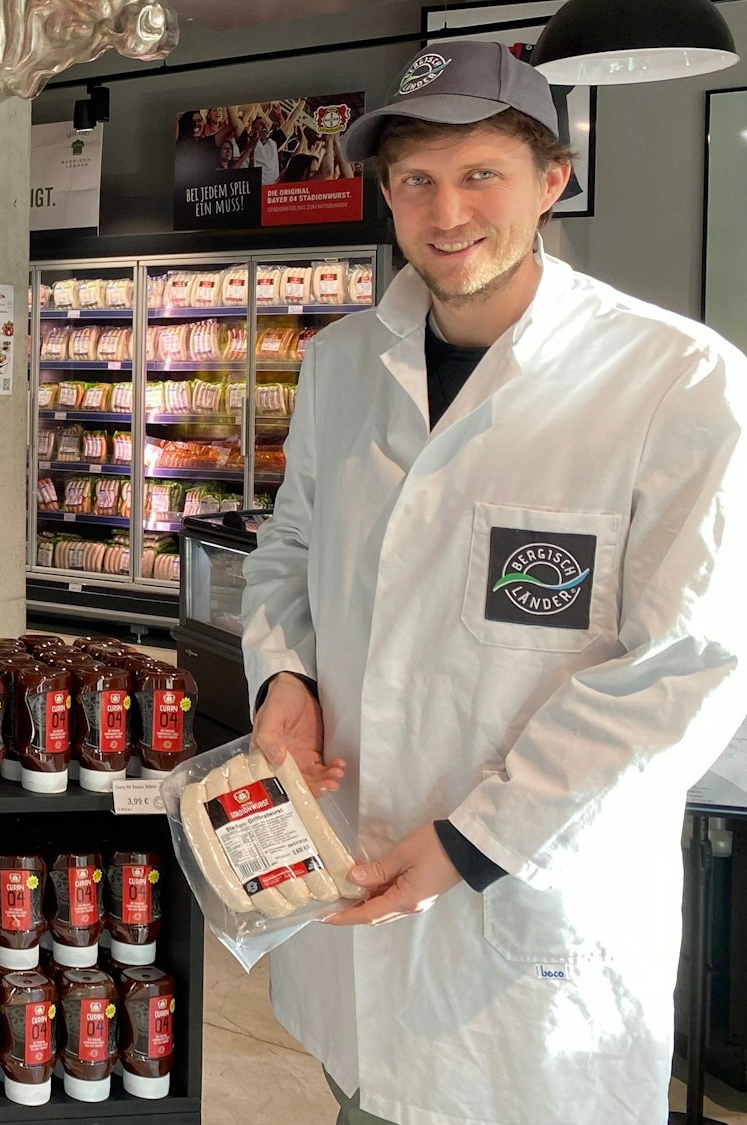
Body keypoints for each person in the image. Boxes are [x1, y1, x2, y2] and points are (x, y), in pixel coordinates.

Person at [242, 41, 747, 1125]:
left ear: (551, 180)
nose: (447, 212)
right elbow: (289, 548)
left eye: (481, 175)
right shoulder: (341, 363)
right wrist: (282, 677)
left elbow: (686, 668)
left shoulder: (675, 379)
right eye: (415, 180)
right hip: (352, 891)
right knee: (360, 1099)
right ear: (384, 194)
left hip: (529, 933)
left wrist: (476, 841)